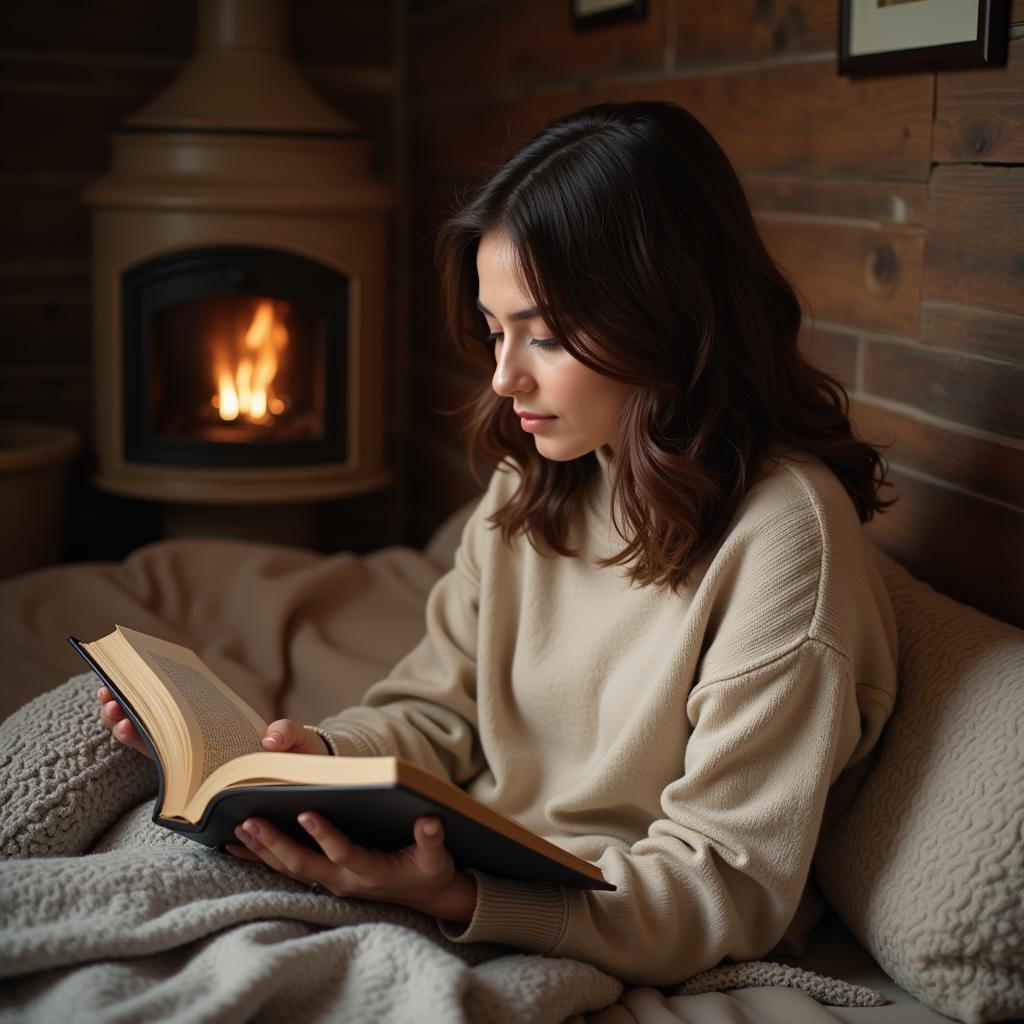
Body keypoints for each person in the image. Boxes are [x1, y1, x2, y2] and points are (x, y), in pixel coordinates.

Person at [98, 100, 898, 985]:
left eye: (546, 334)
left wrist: (458, 899)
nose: (503, 376)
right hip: (456, 869)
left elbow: (727, 886)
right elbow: (435, 711)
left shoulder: (786, 539)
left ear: (669, 315)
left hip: (587, 924)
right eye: (494, 329)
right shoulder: (539, 480)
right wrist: (309, 762)